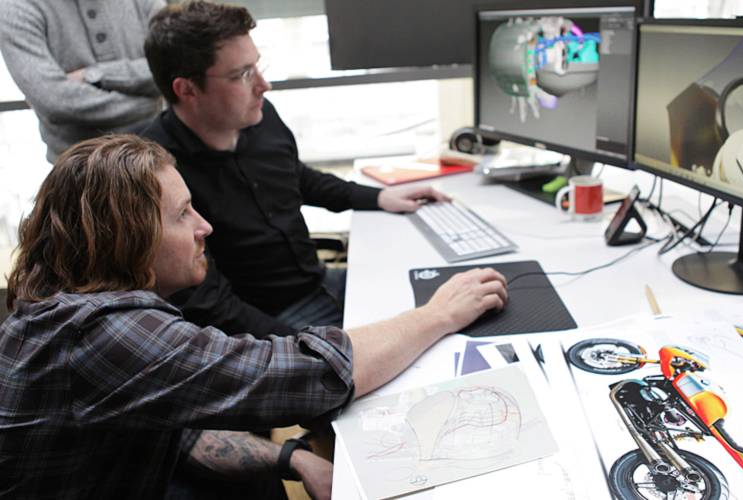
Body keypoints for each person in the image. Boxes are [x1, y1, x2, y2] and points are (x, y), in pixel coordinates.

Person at [0, 134, 507, 499]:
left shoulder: (67, 304)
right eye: (182, 215)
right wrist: (438, 314)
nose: (205, 226)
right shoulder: (100, 332)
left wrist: (292, 458)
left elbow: (176, 431)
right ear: (125, 238)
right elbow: (304, 374)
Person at [141, 0, 446, 335]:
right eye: (242, 74)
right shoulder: (159, 175)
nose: (263, 85)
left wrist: (379, 197)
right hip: (270, 321)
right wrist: (306, 350)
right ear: (186, 89)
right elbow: (210, 304)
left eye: (257, 66)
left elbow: (296, 178)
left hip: (322, 282)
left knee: (444, 292)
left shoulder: (258, 114)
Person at [0, 0, 164, 162]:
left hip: (160, 153)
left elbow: (175, 62)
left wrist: (95, 75)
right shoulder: (17, 7)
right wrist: (151, 104)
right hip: (80, 170)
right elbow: (55, 101)